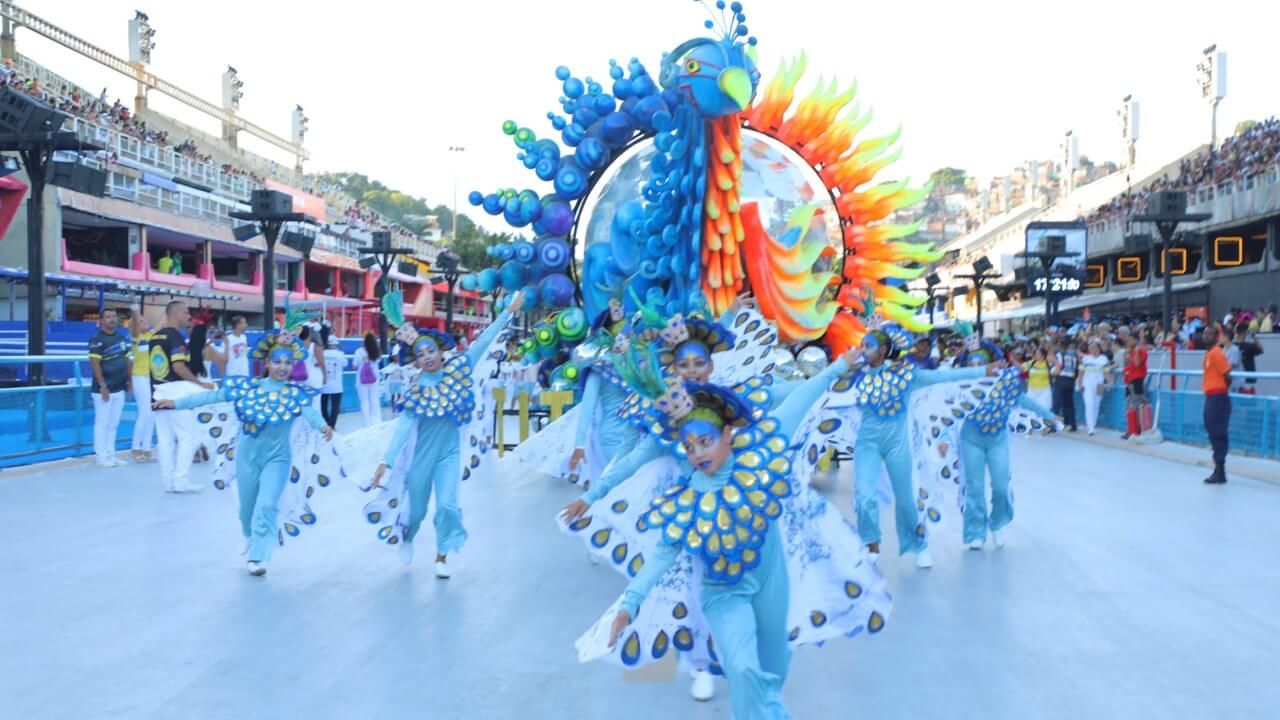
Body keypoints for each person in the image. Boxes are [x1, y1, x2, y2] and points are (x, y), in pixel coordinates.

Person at [599, 369, 886, 720]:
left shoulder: (760, 456)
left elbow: (803, 396)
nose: (696, 453)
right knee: (743, 668)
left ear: (727, 434)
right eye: (689, 447)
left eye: (705, 442)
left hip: (771, 582)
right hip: (723, 593)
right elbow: (662, 554)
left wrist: (841, 366)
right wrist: (630, 604)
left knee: (773, 669)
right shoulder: (688, 499)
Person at [155, 323, 338, 576]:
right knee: (246, 509)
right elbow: (211, 397)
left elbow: (311, 413)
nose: (283, 367)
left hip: (278, 458)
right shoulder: (248, 388)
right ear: (267, 363)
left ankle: (259, 556)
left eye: (288, 362)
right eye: (277, 362)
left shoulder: (296, 394)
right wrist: (175, 403)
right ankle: (247, 533)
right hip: (247, 457)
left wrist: (323, 426)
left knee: (266, 505)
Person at [365, 291, 524, 578]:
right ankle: (408, 537)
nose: (426, 357)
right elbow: (402, 429)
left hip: (449, 455)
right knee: (416, 513)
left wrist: (508, 313)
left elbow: (484, 340)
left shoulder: (460, 370)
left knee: (448, 505)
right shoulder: (416, 391)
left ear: (441, 351)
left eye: (430, 351)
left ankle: (441, 556)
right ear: (415, 361)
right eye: (420, 354)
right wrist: (384, 463)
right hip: (420, 460)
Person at [836, 325, 995, 566]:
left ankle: (918, 544)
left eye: (868, 345)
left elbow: (942, 377)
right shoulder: (856, 376)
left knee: (907, 500)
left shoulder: (906, 375)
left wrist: (983, 370)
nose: (862, 350)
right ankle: (871, 543)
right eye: (862, 345)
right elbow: (821, 387)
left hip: (898, 445)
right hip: (867, 444)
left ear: (883, 349)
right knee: (864, 495)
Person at [938, 341, 1057, 550]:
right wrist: (944, 438)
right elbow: (947, 413)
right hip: (970, 438)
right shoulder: (961, 387)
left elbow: (1024, 400)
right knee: (974, 488)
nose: (978, 368)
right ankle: (976, 531)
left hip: (997, 439)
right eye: (972, 364)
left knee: (1001, 486)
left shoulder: (1004, 383)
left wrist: (1049, 415)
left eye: (981, 363)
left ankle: (997, 523)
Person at [150, 301, 216, 493]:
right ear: (177, 313)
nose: (188, 316)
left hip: (158, 390)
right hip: (175, 392)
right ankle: (181, 480)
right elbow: (178, 367)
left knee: (165, 440)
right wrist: (201, 384)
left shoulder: (156, 336)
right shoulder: (176, 337)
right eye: (186, 312)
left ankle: (168, 482)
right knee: (190, 436)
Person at [88, 307, 132, 468]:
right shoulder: (96, 339)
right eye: (108, 317)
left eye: (114, 316)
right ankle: (101, 457)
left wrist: (130, 380)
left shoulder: (121, 338)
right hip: (103, 390)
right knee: (102, 423)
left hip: (119, 387)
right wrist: (103, 385)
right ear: (101, 320)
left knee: (113, 424)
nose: (112, 319)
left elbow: (127, 360)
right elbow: (95, 364)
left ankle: (111, 455)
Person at [1202, 326, 1231, 485]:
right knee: (1212, 430)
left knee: (1217, 431)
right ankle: (1218, 468)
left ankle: (1220, 470)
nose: (1206, 335)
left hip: (1217, 397)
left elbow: (1227, 376)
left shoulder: (1216, 353)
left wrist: (1222, 390)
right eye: (1205, 333)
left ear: (1217, 336)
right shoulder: (1209, 354)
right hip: (1211, 396)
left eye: (1210, 333)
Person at [127, 305, 156, 463]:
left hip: (151, 378)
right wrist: (135, 306)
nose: (144, 323)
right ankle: (135, 447)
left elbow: (161, 325)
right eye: (140, 322)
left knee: (151, 415)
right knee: (144, 413)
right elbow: (136, 324)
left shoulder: (152, 335)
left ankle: (146, 448)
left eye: (145, 321)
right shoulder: (136, 338)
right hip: (139, 377)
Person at [1077, 340, 1110, 436]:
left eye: (1093, 347)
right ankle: (1090, 428)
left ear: (1098, 348)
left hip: (1099, 385)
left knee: (1096, 405)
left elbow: (1106, 372)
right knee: (1089, 404)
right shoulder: (1085, 359)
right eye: (1090, 347)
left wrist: (1108, 384)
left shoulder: (1103, 359)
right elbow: (1081, 373)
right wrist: (1079, 384)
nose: (1091, 349)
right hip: (1087, 384)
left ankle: (1093, 425)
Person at [1122, 336, 1149, 439]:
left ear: (1136, 341)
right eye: (1127, 340)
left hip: (1137, 381)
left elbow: (1137, 364)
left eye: (1130, 340)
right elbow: (1126, 367)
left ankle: (1137, 430)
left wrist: (1136, 351)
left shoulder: (1141, 351)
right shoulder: (1129, 353)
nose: (1128, 342)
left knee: (1136, 405)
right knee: (1129, 406)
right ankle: (1131, 430)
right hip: (1129, 382)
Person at [353, 332, 383, 427]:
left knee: (364, 400)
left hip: (362, 379)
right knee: (375, 399)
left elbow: (354, 366)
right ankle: (377, 421)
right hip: (374, 378)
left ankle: (367, 423)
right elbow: (378, 362)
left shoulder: (358, 351)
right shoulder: (377, 351)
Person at [1052, 340, 1079, 432]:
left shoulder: (1058, 355)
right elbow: (1076, 369)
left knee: (1056, 404)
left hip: (1061, 379)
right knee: (1070, 404)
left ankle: (1053, 427)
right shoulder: (1073, 357)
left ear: (1060, 346)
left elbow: (1057, 367)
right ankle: (1073, 425)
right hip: (1070, 380)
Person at [321, 335, 345, 429]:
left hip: (324, 385)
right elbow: (345, 364)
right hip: (337, 386)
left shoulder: (322, 353)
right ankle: (331, 425)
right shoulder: (340, 354)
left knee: (323, 406)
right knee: (335, 407)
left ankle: (326, 422)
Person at [1235, 325, 1263, 395]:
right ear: (1245, 332)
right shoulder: (1249, 346)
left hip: (1235, 380)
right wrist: (1254, 337)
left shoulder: (1231, 346)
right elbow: (1261, 350)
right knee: (1249, 403)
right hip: (1248, 380)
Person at [1024, 346, 1053, 411]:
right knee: (1030, 410)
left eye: (1038, 354)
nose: (1036, 355)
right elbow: (1020, 368)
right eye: (1035, 354)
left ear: (1043, 355)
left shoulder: (1048, 363)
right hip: (1032, 390)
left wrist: (1055, 362)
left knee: (1044, 410)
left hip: (1045, 391)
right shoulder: (1031, 363)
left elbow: (1058, 368)